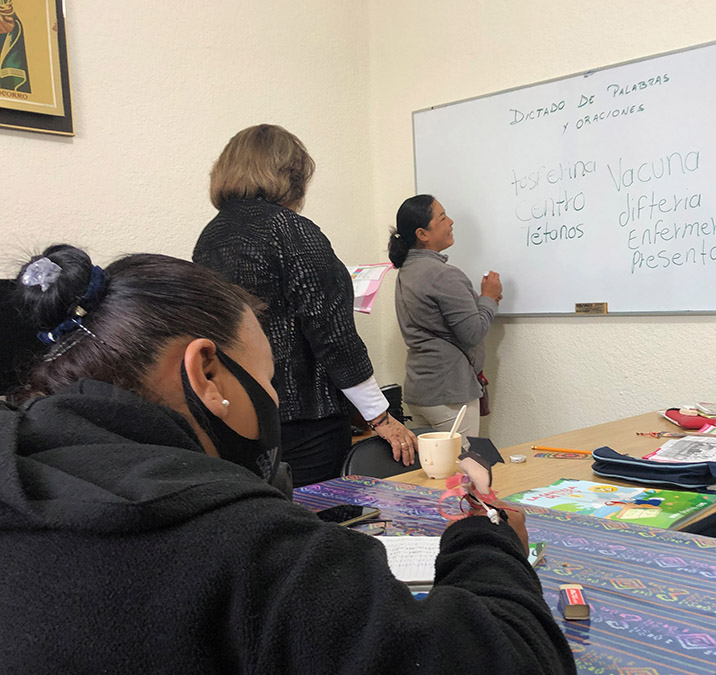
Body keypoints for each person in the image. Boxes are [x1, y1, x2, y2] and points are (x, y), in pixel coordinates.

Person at [0, 244, 575, 673]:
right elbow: (519, 660)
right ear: (206, 374)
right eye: (268, 377)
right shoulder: (245, 543)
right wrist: (488, 538)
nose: (272, 399)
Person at [194, 124, 416, 487]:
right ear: (291, 174)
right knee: (321, 524)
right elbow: (333, 335)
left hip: (237, 417)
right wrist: (381, 417)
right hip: (305, 422)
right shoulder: (290, 230)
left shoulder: (211, 236)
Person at [389, 195, 502, 446]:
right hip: (450, 393)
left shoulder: (406, 270)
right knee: (461, 474)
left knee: (431, 474)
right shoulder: (443, 275)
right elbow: (473, 332)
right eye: (442, 218)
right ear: (423, 234)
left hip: (420, 391)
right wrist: (489, 298)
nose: (450, 222)